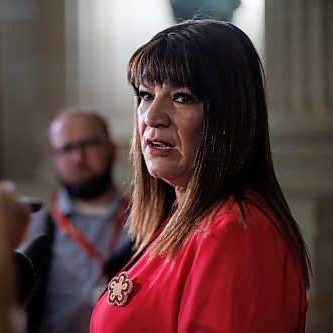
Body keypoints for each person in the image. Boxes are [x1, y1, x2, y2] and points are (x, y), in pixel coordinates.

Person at [89, 19, 310, 332]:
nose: (152, 116)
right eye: (145, 94)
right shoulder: (181, 215)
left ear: (227, 116)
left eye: (182, 97)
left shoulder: (236, 231)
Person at [21, 108, 133, 333]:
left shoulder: (146, 218)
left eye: (88, 144)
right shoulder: (36, 227)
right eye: (66, 149)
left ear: (112, 150)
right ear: (54, 159)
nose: (78, 157)